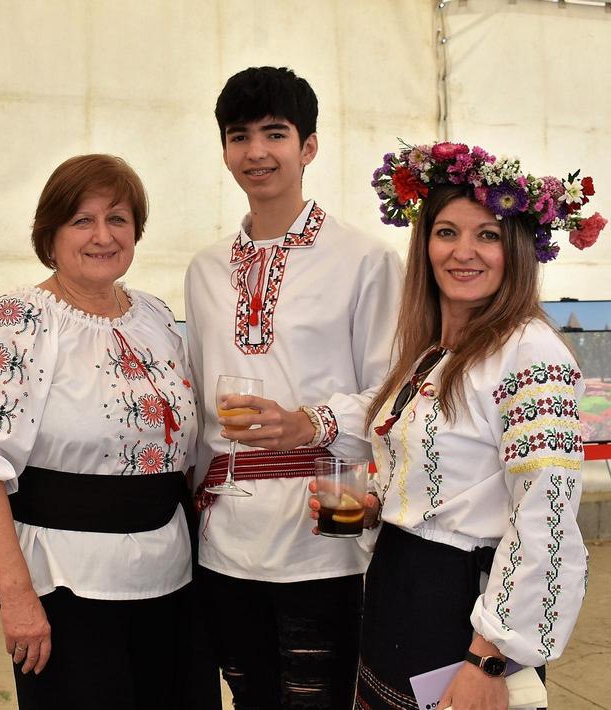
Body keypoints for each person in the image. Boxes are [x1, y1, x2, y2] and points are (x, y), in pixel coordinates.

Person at [317, 141, 603, 709]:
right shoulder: (434, 352)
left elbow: (546, 516)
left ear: (515, 249)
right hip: (401, 590)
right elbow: (442, 480)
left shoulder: (531, 355)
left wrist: (491, 656)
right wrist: (377, 506)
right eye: (446, 232)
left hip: (463, 611)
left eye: (487, 235)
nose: (462, 252)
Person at [0, 154, 198, 709]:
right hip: (66, 588)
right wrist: (17, 599)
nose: (103, 236)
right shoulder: (19, 321)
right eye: (82, 220)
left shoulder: (155, 318)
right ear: (50, 235)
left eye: (119, 219)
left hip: (173, 583)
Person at [184, 66, 403, 708]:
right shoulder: (204, 269)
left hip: (327, 521)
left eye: (274, 134)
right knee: (250, 698)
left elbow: (394, 395)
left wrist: (312, 421)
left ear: (308, 147)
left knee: (324, 698)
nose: (256, 152)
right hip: (226, 532)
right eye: (239, 136)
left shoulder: (365, 259)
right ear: (224, 150)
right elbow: (197, 406)